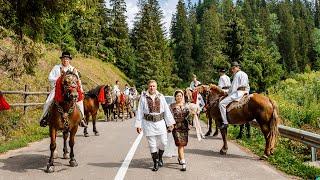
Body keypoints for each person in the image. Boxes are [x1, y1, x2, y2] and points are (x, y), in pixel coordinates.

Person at [135, 80, 175, 171]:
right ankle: (155, 162)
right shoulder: (143, 97)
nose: (152, 87)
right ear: (148, 87)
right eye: (150, 86)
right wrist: (138, 125)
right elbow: (140, 111)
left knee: (164, 142)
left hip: (160, 123)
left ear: (156, 87)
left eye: (153, 86)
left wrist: (170, 123)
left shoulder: (161, 97)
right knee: (152, 145)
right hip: (148, 124)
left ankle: (160, 157)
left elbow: (166, 111)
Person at [39, 51, 87, 127]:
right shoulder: (56, 68)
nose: (65, 60)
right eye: (64, 58)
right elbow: (50, 78)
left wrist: (80, 89)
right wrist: (60, 81)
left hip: (71, 89)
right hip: (58, 89)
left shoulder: (73, 69)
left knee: (80, 102)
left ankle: (81, 119)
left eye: (67, 59)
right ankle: (44, 118)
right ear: (61, 59)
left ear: (69, 60)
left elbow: (78, 80)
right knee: (48, 101)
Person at [219, 62, 250, 129]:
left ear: (236, 67)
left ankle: (225, 122)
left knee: (221, 104)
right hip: (245, 92)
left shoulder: (237, 74)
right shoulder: (245, 74)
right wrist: (247, 92)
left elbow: (234, 87)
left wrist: (228, 94)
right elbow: (248, 85)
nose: (232, 71)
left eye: (233, 69)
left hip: (238, 93)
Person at [169, 90, 190, 171]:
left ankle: (179, 157)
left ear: (182, 97)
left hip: (184, 127)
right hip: (176, 127)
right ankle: (183, 163)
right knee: (180, 144)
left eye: (180, 96)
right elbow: (169, 117)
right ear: (175, 97)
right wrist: (169, 126)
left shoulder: (186, 105)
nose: (179, 97)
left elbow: (189, 116)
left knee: (182, 144)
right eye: (177, 96)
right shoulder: (171, 106)